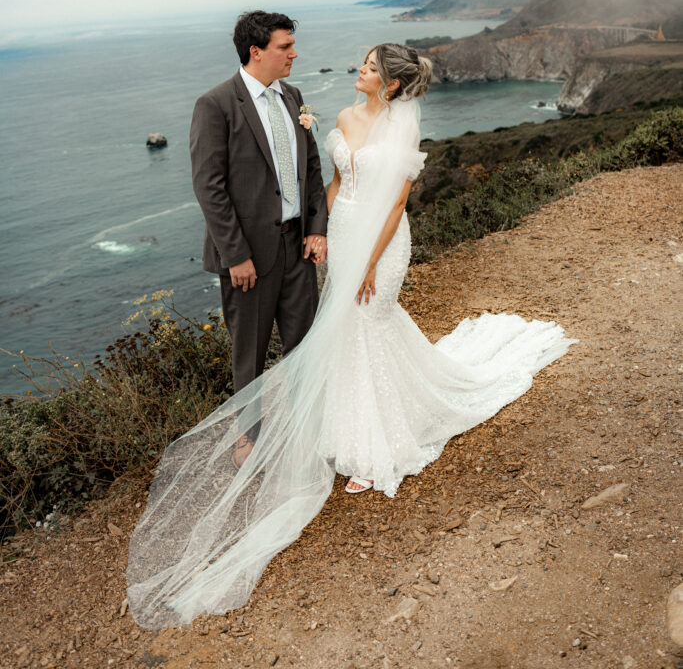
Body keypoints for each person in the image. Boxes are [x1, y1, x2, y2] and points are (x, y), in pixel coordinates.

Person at [128, 43, 576, 629]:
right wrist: (323, 234)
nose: (357, 71)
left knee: (371, 320)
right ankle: (342, 425)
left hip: (382, 243)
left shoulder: (401, 128)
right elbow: (337, 182)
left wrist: (368, 260)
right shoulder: (341, 118)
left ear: (390, 85)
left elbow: (395, 203)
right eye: (362, 64)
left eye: (368, 67)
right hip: (341, 233)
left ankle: (375, 443)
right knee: (343, 330)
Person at [189, 10, 328, 468]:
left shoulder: (294, 97)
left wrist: (315, 228)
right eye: (285, 47)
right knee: (247, 353)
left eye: (291, 45)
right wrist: (236, 255)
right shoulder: (216, 104)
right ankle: (249, 437)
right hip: (247, 259)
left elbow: (310, 169)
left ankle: (308, 430)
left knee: (303, 345)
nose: (294, 54)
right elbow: (209, 186)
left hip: (297, 250)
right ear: (256, 51)